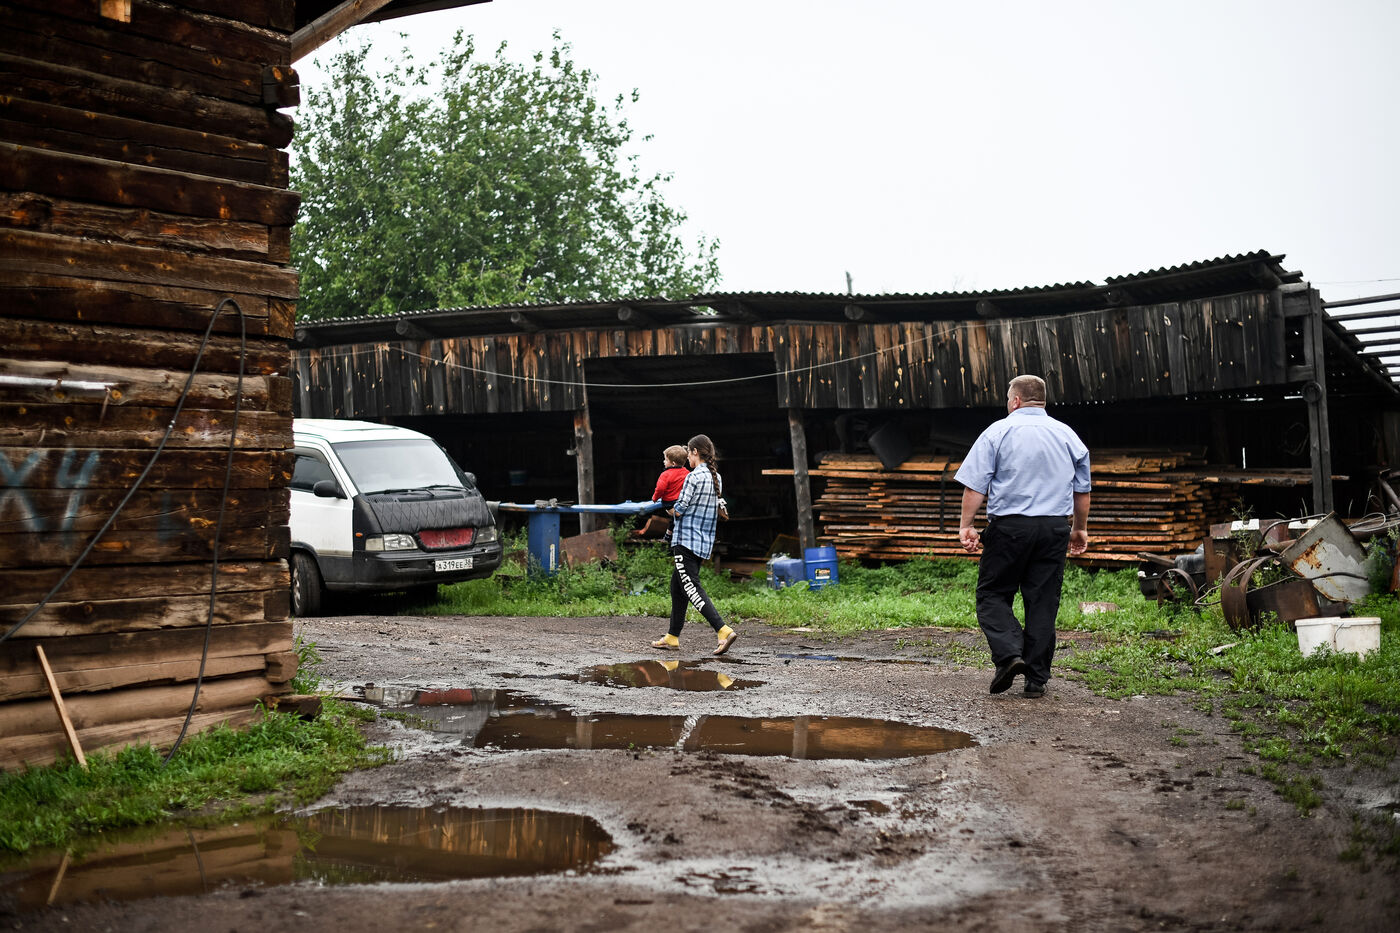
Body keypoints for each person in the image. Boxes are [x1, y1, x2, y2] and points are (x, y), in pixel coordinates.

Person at [955, 375, 1091, 699]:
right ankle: (1036, 679)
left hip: (1010, 528)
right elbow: (1082, 490)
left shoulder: (997, 432)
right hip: (1054, 529)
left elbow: (975, 486)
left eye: (1008, 399)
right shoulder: (1067, 435)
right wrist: (1079, 528)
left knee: (992, 595)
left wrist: (966, 525)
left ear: (1015, 400)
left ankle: (1009, 654)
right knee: (1042, 601)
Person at [652, 434, 738, 655]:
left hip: (686, 541)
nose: (687, 458)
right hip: (702, 542)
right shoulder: (716, 477)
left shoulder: (693, 477)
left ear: (695, 452)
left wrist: (666, 507)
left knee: (691, 588)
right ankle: (672, 637)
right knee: (677, 586)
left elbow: (679, 510)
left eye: (689, 453)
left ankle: (723, 630)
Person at [632, 445, 689, 539]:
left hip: (669, 503)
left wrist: (655, 498)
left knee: (673, 517)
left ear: (673, 463)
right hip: (681, 502)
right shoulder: (687, 473)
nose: (664, 461)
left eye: (666, 460)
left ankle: (668, 536)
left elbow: (660, 489)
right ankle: (669, 535)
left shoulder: (665, 474)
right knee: (675, 518)